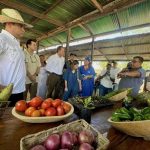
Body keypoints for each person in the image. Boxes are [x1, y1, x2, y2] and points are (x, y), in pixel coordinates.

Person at [0, 8, 32, 106]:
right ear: (9, 24)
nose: (23, 29)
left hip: (18, 91)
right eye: (21, 26)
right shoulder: (2, 39)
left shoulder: (15, 42)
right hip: (6, 94)